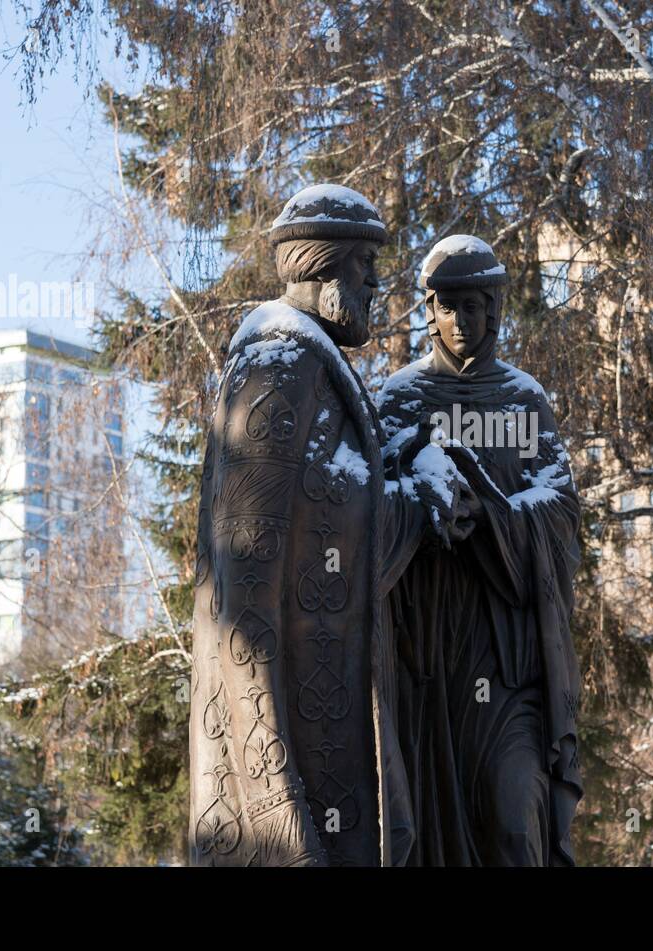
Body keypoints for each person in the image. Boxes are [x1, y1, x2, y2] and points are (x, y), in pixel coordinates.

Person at [189, 186, 471, 866]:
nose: (375, 282)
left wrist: (414, 494)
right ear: (324, 267)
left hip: (330, 723)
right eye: (363, 265)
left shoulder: (315, 369)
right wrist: (271, 793)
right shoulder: (277, 368)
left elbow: (335, 522)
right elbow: (245, 578)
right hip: (290, 752)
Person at [377, 235, 583, 865]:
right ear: (430, 312)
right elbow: (370, 510)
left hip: (507, 656)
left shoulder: (524, 401)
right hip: (429, 656)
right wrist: (424, 504)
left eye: (475, 305)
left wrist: (490, 516)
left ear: (496, 309)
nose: (462, 320)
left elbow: (563, 516)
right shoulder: (400, 399)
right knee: (430, 834)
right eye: (448, 306)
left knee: (517, 822)